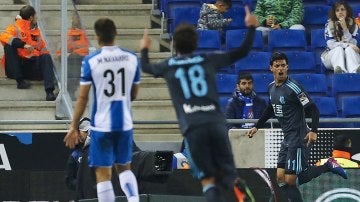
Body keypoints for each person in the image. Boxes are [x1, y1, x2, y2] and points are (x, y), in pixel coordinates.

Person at [141, 6, 258, 202]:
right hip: (216, 122)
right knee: (230, 175)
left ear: (175, 46)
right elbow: (241, 52)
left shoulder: (168, 65)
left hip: (193, 127)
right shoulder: (206, 59)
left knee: (208, 180)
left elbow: (145, 67)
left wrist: (144, 48)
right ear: (196, 43)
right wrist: (252, 28)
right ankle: (239, 191)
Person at [246, 52, 348, 202]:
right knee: (281, 178)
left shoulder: (294, 87)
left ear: (287, 67)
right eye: (277, 66)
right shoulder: (271, 88)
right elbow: (270, 108)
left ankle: (328, 165)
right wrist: (257, 126)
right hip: (287, 137)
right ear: (271, 68)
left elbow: (313, 109)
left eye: (283, 66)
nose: (280, 69)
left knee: (290, 180)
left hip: (299, 136)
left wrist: (313, 131)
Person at [63, 18, 140, 202]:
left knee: (103, 173)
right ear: (116, 33)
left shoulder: (91, 60)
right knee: (124, 168)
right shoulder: (131, 57)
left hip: (101, 125)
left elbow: (82, 97)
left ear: (97, 37)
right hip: (123, 123)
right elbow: (134, 94)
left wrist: (74, 125)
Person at [0, 5, 56, 101]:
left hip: (31, 66)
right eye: (35, 16)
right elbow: (3, 36)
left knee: (46, 57)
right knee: (9, 45)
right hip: (16, 68)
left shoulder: (36, 32)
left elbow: (43, 49)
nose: (36, 18)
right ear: (31, 17)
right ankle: (20, 81)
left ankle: (50, 92)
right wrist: (23, 44)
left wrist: (54, 58)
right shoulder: (15, 27)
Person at [321, 1, 360, 74]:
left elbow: (354, 44)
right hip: (331, 57)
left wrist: (345, 28)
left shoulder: (355, 25)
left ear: (347, 11)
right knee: (339, 49)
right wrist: (347, 44)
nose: (340, 12)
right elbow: (331, 44)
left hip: (350, 56)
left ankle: (355, 72)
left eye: (342, 9)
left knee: (349, 49)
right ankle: (340, 71)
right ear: (334, 13)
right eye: (337, 10)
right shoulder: (329, 24)